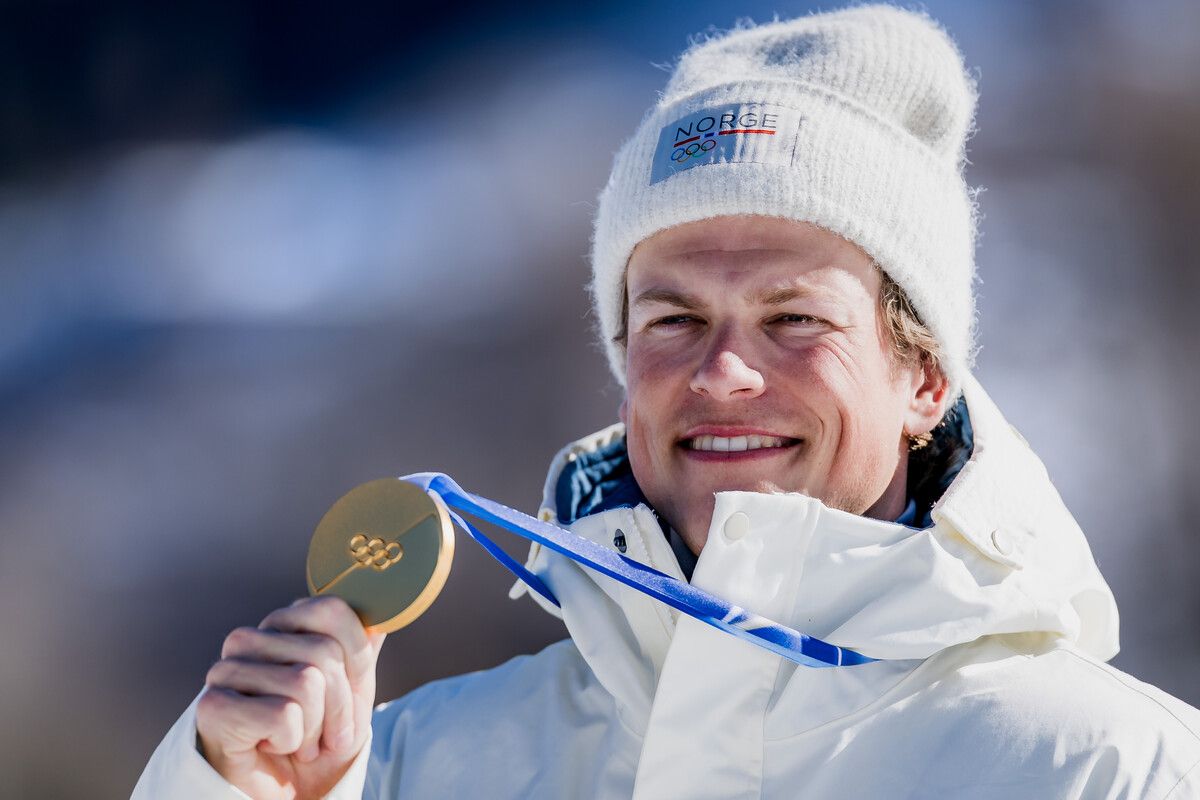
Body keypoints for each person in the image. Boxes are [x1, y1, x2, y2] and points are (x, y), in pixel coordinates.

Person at [133, 5, 1200, 798]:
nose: (723, 371)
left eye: (795, 318)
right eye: (674, 319)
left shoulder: (1110, 771)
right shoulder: (404, 764)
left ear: (923, 380)